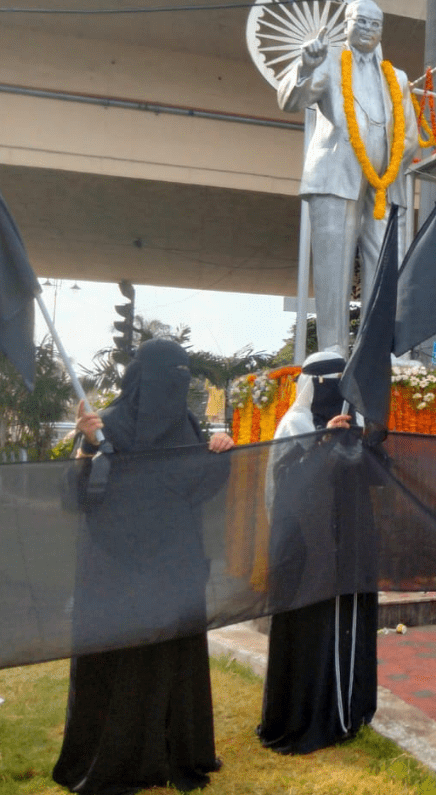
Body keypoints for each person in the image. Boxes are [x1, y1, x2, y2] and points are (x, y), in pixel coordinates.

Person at [54, 339, 234, 795]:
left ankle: (178, 750)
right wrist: (86, 448)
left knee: (172, 661)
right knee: (127, 663)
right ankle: (121, 757)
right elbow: (75, 499)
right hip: (119, 570)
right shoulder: (106, 425)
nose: (178, 382)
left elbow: (195, 490)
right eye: (169, 372)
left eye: (184, 372)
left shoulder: (186, 424)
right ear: (143, 377)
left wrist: (219, 454)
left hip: (175, 566)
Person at [277, 0, 420, 357]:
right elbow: (290, 101)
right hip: (336, 174)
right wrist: (306, 63)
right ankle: (332, 351)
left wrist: (387, 169)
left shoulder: (396, 78)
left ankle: (376, 353)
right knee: (332, 268)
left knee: (386, 268)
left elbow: (410, 136)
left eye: (376, 24)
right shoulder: (327, 61)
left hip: (385, 185)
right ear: (347, 25)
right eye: (362, 22)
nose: (369, 30)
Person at [258, 352, 379, 754]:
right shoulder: (295, 423)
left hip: (348, 546)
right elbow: (287, 486)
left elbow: (371, 480)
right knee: (311, 629)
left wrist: (369, 441)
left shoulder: (354, 425)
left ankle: (348, 710)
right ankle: (306, 716)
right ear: (318, 385)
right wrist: (321, 441)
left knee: (345, 625)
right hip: (308, 551)